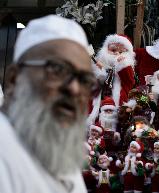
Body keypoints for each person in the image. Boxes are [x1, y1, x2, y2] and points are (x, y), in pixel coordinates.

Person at [0, 15, 96, 193]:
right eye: (58, 70)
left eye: (84, 80)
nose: (75, 89)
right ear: (14, 78)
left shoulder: (59, 153)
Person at [88, 34, 136, 124]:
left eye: (121, 52)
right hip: (99, 105)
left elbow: (129, 80)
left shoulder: (126, 69)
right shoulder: (97, 66)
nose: (117, 53)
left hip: (117, 108)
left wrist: (122, 64)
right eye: (113, 50)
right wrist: (100, 71)